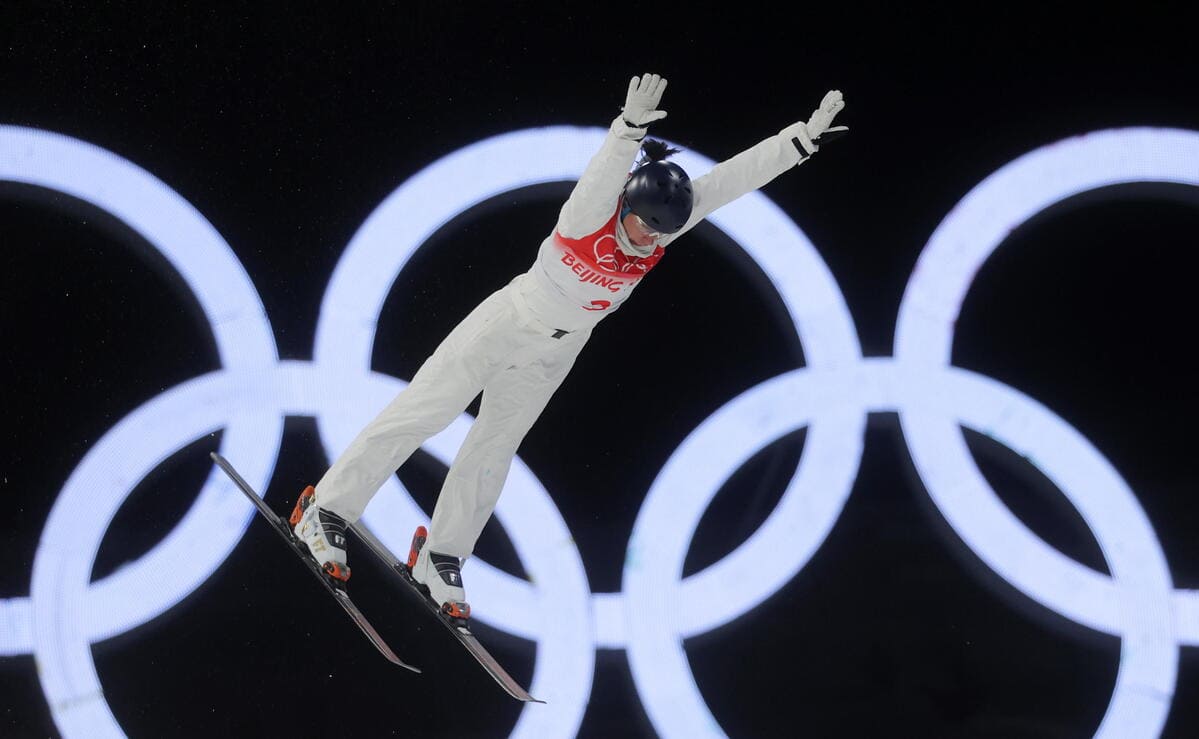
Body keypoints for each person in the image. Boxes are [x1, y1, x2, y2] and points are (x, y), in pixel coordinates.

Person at [291, 73, 848, 618]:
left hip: (557, 350)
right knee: (424, 413)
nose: (650, 242)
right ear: (627, 208)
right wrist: (628, 128)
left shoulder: (667, 219)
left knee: (494, 449)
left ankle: (441, 557)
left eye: (660, 234)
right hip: (508, 320)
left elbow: (731, 180)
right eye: (644, 230)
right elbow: (603, 171)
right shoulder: (593, 213)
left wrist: (798, 141)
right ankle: (327, 510)